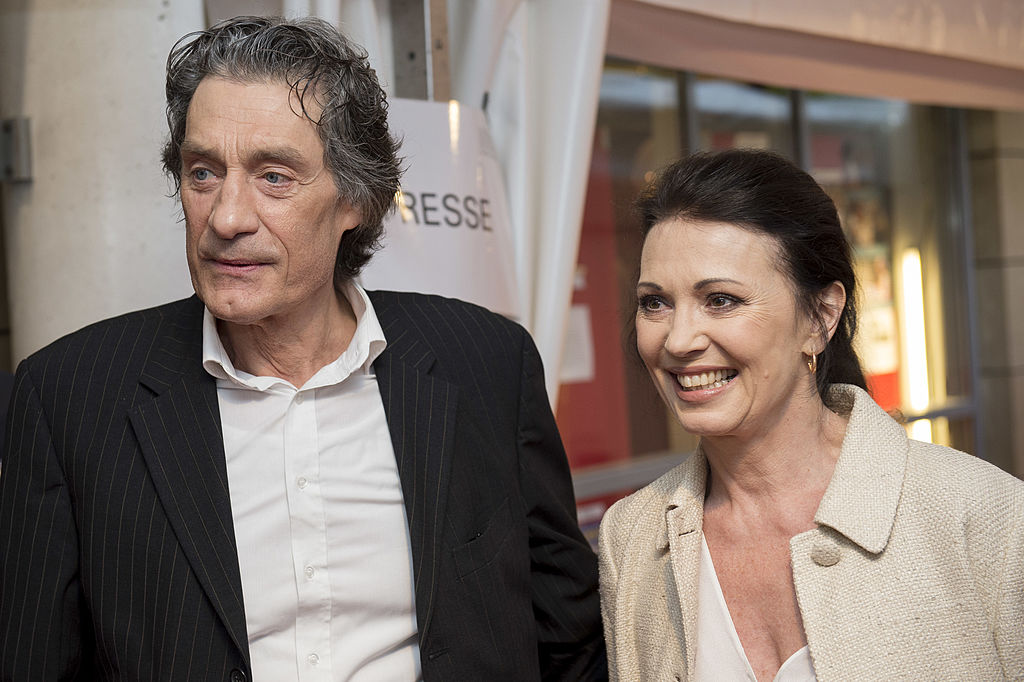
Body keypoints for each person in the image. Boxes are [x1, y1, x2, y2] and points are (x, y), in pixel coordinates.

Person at [0, 16, 605, 682]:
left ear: (356, 197)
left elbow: (566, 635)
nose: (227, 217)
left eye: (275, 177)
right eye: (203, 173)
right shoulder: (71, 397)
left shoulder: (485, 363)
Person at [599, 149, 1023, 681]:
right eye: (655, 303)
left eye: (722, 300)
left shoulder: (984, 517)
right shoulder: (632, 540)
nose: (679, 340)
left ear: (821, 316)